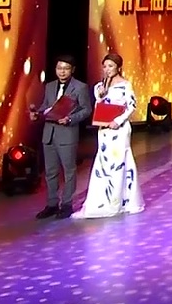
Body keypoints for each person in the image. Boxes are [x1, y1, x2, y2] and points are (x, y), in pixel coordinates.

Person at [79, 53, 145, 218]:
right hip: (104, 130)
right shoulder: (99, 86)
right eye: (105, 66)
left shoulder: (125, 85)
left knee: (119, 162)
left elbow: (131, 106)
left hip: (119, 129)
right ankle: (103, 200)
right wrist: (100, 95)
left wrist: (118, 120)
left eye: (110, 66)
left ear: (118, 67)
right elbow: (99, 106)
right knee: (104, 162)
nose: (107, 69)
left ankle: (119, 201)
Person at [29, 55, 94, 220]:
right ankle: (52, 204)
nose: (62, 72)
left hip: (67, 134)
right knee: (50, 172)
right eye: (59, 68)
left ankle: (66, 204)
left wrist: (70, 119)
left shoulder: (80, 87)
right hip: (49, 134)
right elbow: (46, 106)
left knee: (69, 170)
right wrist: (37, 114)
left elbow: (86, 109)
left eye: (66, 68)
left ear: (72, 70)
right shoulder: (50, 86)